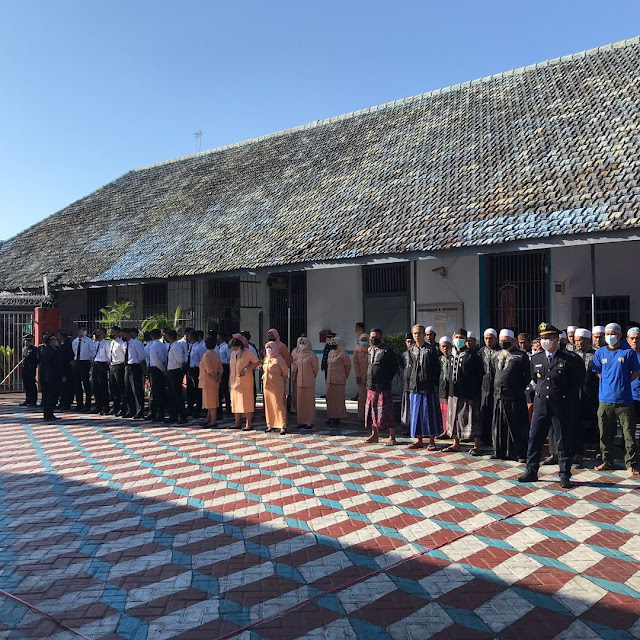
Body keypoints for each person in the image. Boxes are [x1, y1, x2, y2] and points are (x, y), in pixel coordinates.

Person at [519, 323, 583, 488]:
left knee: (563, 441)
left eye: (548, 338)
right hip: (541, 405)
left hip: (561, 405)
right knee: (534, 438)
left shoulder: (568, 359)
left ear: (556, 339)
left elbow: (576, 383)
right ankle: (531, 471)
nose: (545, 341)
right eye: (543, 338)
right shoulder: (536, 358)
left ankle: (564, 474)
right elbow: (535, 379)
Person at [592, 323, 640, 476]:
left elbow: (635, 372)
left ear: (619, 335)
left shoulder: (628, 353)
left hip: (624, 401)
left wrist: (623, 382)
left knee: (629, 435)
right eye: (607, 334)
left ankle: (630, 464)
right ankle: (607, 461)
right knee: (605, 433)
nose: (609, 336)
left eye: (612, 334)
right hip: (605, 400)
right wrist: (608, 383)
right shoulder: (600, 353)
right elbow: (597, 371)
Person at [490, 329, 530, 461]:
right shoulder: (496, 355)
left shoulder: (521, 356)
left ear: (512, 341)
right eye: (501, 340)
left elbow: (527, 376)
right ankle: (499, 451)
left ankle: (519, 453)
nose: (503, 343)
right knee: (499, 426)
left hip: (514, 397)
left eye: (506, 340)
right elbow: (493, 373)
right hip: (499, 396)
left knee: (516, 426)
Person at [444, 329, 485, 454]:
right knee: (454, 418)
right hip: (454, 392)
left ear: (466, 340)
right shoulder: (451, 355)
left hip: (469, 392)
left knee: (472, 419)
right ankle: (456, 443)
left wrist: (475, 390)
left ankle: (476, 445)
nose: (458, 340)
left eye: (461, 337)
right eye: (456, 337)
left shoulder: (473, 355)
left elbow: (480, 374)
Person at [406, 324, 441, 450]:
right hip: (415, 386)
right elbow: (410, 367)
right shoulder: (411, 350)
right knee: (416, 414)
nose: (417, 336)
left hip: (428, 387)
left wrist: (433, 383)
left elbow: (436, 368)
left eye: (419, 333)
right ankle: (419, 439)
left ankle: (432, 440)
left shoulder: (430, 350)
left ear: (423, 335)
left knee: (429, 413)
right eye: (415, 333)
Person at [364, 328, 399, 445]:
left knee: (387, 411)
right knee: (372, 411)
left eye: (376, 337)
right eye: (371, 337)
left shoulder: (387, 350)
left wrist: (386, 378)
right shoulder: (369, 350)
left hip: (383, 386)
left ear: (380, 337)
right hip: (371, 385)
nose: (373, 339)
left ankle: (392, 437)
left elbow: (394, 367)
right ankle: (374, 435)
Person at [571, 328, 599, 467]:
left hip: (594, 394)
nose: (577, 343)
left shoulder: (597, 354)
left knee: (595, 423)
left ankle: (598, 450)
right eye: (575, 340)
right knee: (577, 424)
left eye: (580, 340)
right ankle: (578, 453)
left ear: (587, 340)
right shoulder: (572, 355)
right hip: (576, 395)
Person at [229, 336, 260, 430]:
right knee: (235, 403)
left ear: (240, 346)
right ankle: (237, 423)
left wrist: (247, 369)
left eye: (236, 349)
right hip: (234, 383)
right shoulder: (233, 354)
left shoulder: (248, 353)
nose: (234, 351)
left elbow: (257, 362)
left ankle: (248, 424)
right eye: (233, 349)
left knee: (247, 403)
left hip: (245, 383)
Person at [263, 340, 289, 434]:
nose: (268, 349)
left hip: (277, 384)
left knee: (278, 404)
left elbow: (285, 371)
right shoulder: (266, 358)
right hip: (267, 385)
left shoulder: (279, 358)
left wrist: (280, 378)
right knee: (269, 404)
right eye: (267, 348)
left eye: (270, 347)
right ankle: (270, 424)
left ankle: (282, 425)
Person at [480, 328, 500, 447]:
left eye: (490, 338)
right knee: (484, 412)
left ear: (496, 339)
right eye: (486, 338)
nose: (488, 341)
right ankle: (484, 438)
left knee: (495, 413)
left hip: (496, 388)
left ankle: (495, 438)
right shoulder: (481, 351)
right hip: (484, 387)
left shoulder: (501, 351)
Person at [293, 335, 319, 429]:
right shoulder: (298, 354)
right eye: (300, 343)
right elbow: (296, 367)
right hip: (300, 382)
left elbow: (316, 368)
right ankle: (301, 421)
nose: (301, 345)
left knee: (309, 403)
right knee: (301, 403)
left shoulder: (311, 355)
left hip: (309, 382)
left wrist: (311, 376)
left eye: (303, 343)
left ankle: (309, 422)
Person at [325, 336, 351, 425]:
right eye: (331, 343)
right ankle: (330, 416)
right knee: (330, 399)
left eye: (334, 343)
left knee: (338, 400)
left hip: (339, 380)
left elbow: (347, 367)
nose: (332, 345)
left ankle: (338, 417)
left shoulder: (343, 354)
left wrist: (344, 376)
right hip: (330, 380)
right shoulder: (330, 353)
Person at [39, 333, 65, 422]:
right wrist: (62, 375)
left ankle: (48, 413)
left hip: (47, 377)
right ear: (50, 341)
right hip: (53, 377)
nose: (55, 341)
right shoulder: (52, 351)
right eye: (54, 340)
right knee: (52, 395)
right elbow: (57, 365)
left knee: (48, 395)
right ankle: (49, 414)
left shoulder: (45, 350)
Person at [122, 328, 146, 419]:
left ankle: (139, 411)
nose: (122, 336)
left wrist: (136, 364)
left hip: (134, 366)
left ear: (128, 334)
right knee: (127, 389)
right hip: (127, 367)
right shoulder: (125, 344)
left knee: (136, 389)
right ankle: (131, 410)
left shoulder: (136, 343)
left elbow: (141, 356)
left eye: (123, 335)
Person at [199, 336, 223, 428]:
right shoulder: (216, 354)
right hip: (214, 381)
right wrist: (218, 376)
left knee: (211, 402)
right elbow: (220, 368)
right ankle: (208, 418)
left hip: (208, 380)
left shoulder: (206, 355)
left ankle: (213, 421)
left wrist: (214, 376)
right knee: (211, 400)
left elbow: (209, 369)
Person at [165, 329, 188, 425]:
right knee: (172, 395)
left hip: (175, 372)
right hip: (171, 371)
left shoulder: (176, 347)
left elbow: (180, 360)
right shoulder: (172, 346)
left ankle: (182, 416)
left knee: (177, 394)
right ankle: (173, 415)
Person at [146, 328, 168, 422]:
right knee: (160, 392)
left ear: (151, 336)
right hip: (162, 368)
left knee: (155, 392)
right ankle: (159, 412)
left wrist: (162, 369)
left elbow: (155, 361)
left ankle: (157, 413)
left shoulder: (153, 346)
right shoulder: (163, 345)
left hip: (156, 370)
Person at [72, 326, 93, 412]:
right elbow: (74, 351)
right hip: (77, 362)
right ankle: (79, 404)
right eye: (82, 330)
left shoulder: (89, 341)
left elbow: (91, 352)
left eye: (85, 330)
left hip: (85, 362)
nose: (83, 332)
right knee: (77, 384)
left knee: (86, 383)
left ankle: (87, 404)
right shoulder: (75, 341)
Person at [91, 328, 111, 415]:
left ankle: (105, 406)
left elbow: (109, 356)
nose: (97, 334)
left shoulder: (106, 343)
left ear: (103, 334)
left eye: (99, 333)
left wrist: (107, 365)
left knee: (103, 386)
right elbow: (92, 354)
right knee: (95, 385)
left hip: (102, 364)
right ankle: (98, 405)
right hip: (95, 364)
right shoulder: (95, 344)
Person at [108, 326, 126, 416]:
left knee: (120, 388)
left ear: (118, 333)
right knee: (113, 388)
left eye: (113, 332)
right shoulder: (112, 342)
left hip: (119, 366)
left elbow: (125, 353)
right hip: (112, 365)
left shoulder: (121, 343)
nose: (111, 334)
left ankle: (123, 408)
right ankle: (115, 406)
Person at [186, 329, 204, 417]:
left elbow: (202, 360)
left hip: (196, 369)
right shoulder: (191, 346)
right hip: (190, 369)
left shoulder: (199, 347)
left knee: (197, 390)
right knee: (190, 390)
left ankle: (198, 409)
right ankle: (190, 408)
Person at [399, 333, 414, 435]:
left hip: (415, 385)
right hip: (406, 384)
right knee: (406, 406)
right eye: (408, 341)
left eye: (411, 341)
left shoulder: (417, 353)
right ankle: (406, 427)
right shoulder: (403, 354)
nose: (410, 343)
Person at [353, 333, 369, 421]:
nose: (364, 342)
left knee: (370, 397)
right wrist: (357, 375)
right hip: (360, 377)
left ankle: (369, 416)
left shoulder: (371, 350)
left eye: (365, 340)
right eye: (362, 340)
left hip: (370, 376)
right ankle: (361, 415)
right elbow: (355, 364)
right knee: (362, 397)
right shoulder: (357, 350)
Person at [216, 333, 232, 420]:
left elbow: (229, 358)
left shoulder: (226, 346)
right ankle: (220, 407)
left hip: (225, 366)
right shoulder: (218, 347)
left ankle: (228, 407)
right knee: (220, 388)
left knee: (225, 388)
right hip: (219, 366)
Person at [438, 336, 452, 431]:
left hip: (452, 389)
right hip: (442, 389)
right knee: (443, 411)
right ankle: (445, 430)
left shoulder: (454, 358)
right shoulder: (439, 359)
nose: (445, 348)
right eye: (443, 346)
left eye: (447, 346)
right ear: (440, 348)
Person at [20, 334, 39, 407]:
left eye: (28, 340)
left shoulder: (34, 349)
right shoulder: (24, 349)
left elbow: (37, 360)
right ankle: (28, 399)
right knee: (26, 384)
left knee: (31, 384)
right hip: (25, 368)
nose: (26, 342)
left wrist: (32, 365)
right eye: (25, 340)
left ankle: (33, 401)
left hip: (31, 369)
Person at [627, 327, 640, 433]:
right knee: (628, 430)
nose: (635, 341)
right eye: (632, 338)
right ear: (628, 340)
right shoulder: (623, 355)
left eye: (638, 338)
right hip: (628, 398)